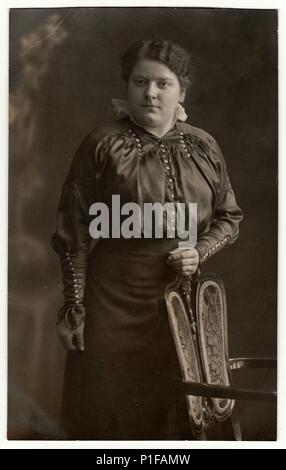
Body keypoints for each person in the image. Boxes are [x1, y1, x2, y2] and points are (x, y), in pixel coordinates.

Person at [52, 39, 243, 440]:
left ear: (182, 91)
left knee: (181, 415)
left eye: (162, 83)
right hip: (112, 305)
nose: (150, 93)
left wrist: (199, 250)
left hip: (181, 305)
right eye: (140, 82)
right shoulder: (101, 144)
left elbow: (228, 218)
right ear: (127, 87)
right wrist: (75, 307)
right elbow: (72, 234)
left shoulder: (203, 145)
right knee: (111, 416)